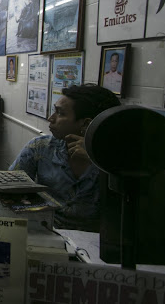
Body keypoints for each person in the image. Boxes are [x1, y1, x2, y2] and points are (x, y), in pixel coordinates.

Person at [9, 84, 121, 231]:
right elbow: (9, 187)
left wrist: (97, 160)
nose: (50, 118)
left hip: (95, 241)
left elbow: (124, 209)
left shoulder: (116, 160)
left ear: (86, 123)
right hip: (44, 228)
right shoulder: (40, 148)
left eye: (60, 113)